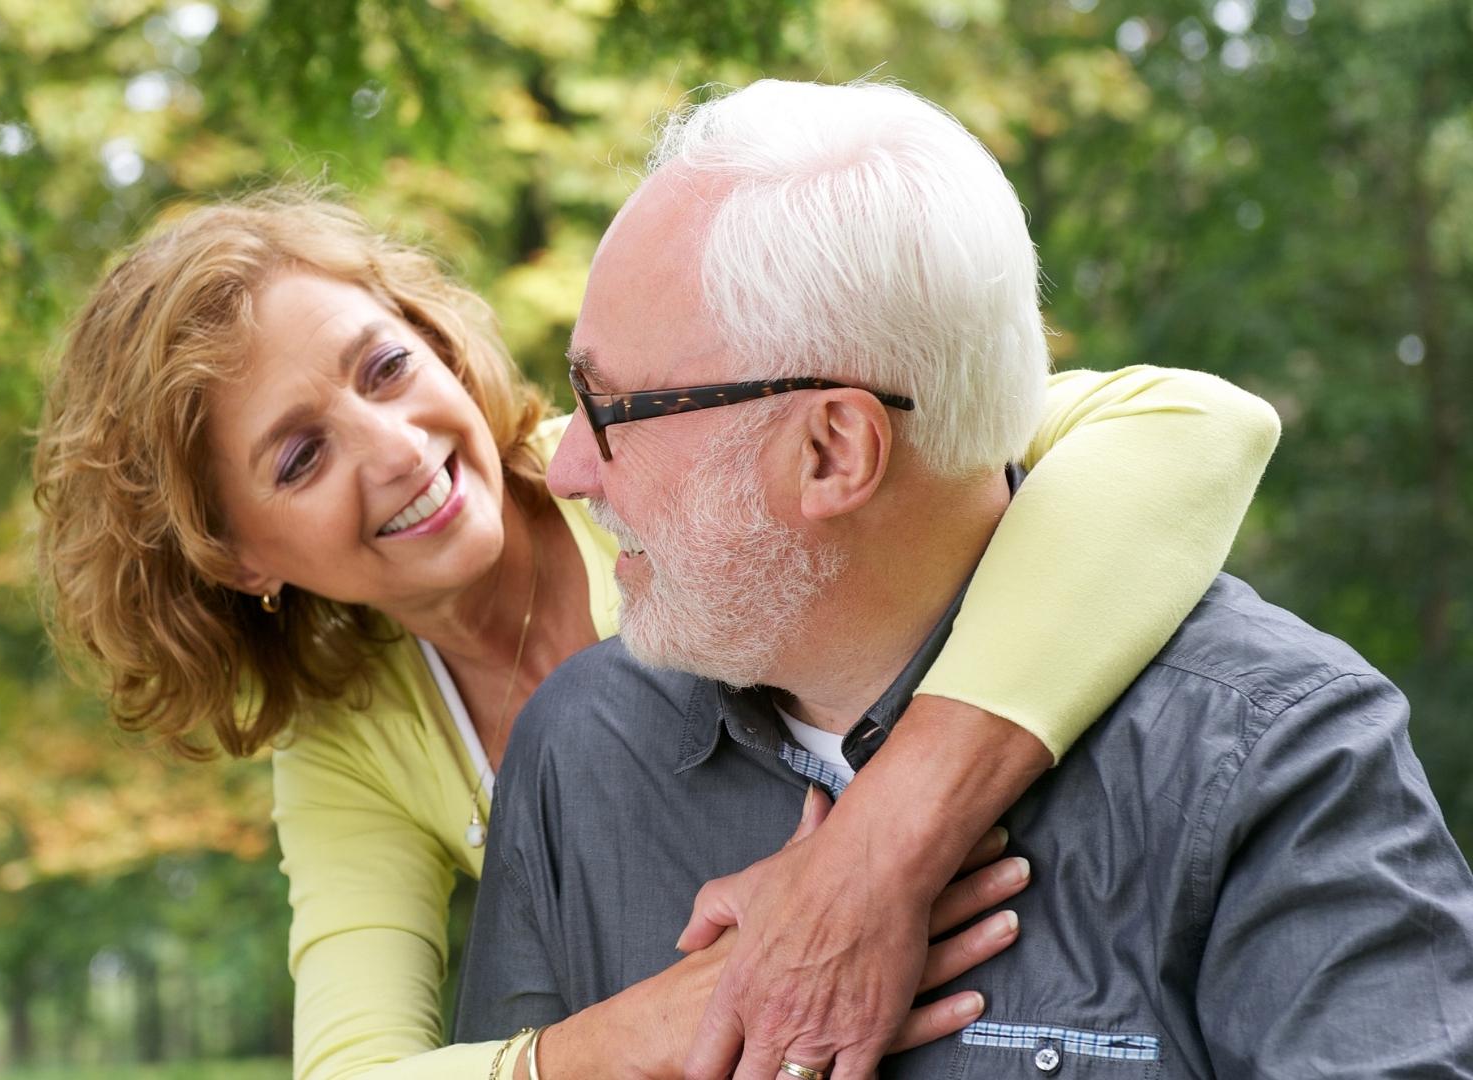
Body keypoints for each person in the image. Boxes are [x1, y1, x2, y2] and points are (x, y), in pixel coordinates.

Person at [30, 168, 1281, 1075]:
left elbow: (1197, 427)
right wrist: (666, 1018)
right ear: (236, 554)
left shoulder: (660, 458)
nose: (397, 447)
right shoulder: (353, 735)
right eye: (299, 457)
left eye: (384, 367)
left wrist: (878, 850)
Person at [455, 78, 1473, 1080]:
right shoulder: (582, 745)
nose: (570, 469)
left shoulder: (1273, 757)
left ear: (832, 452)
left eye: (612, 409)